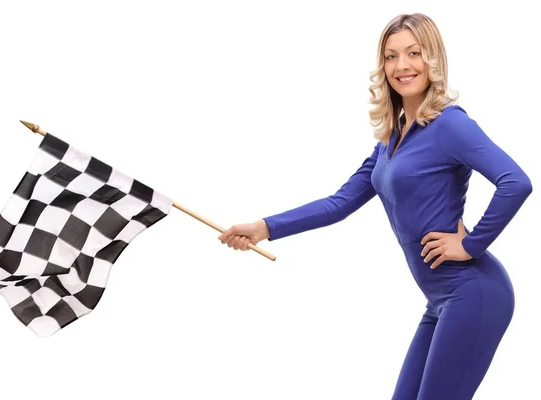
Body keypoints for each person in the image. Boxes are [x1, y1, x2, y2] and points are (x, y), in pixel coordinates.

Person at [217, 12, 533, 400]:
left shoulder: (451, 125)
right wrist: (264, 226)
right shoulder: (391, 141)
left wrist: (470, 245)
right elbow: (340, 202)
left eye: (414, 53)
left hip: (474, 294)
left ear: (432, 59)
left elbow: (516, 182)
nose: (402, 66)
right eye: (390, 56)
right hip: (440, 301)